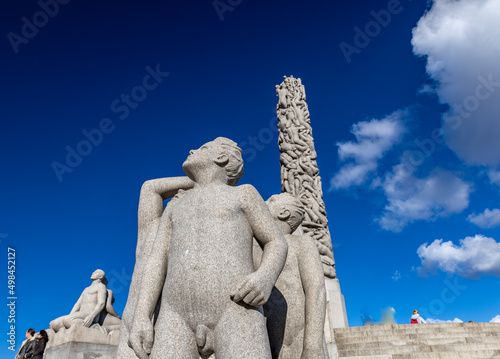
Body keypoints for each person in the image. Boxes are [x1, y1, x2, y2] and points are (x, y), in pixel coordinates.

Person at [128, 137, 288, 359]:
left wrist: (265, 276)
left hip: (235, 309)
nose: (192, 149)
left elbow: (275, 241)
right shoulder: (174, 207)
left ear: (221, 157)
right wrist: (141, 317)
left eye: (203, 148)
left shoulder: (243, 194)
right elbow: (156, 261)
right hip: (174, 316)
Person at [254, 193, 328, 359]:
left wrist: (313, 345)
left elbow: (316, 290)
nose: (263, 201)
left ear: (284, 213)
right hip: (263, 342)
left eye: (271, 200)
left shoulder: (302, 243)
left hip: (299, 340)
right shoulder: (252, 245)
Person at [50, 269, 121, 332]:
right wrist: (71, 314)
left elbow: (101, 303)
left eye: (95, 272)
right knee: (54, 324)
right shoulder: (86, 289)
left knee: (67, 320)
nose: (93, 272)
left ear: (100, 277)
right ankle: (72, 321)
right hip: (81, 314)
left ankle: (97, 328)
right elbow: (78, 304)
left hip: (91, 314)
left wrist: (91, 316)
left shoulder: (101, 287)